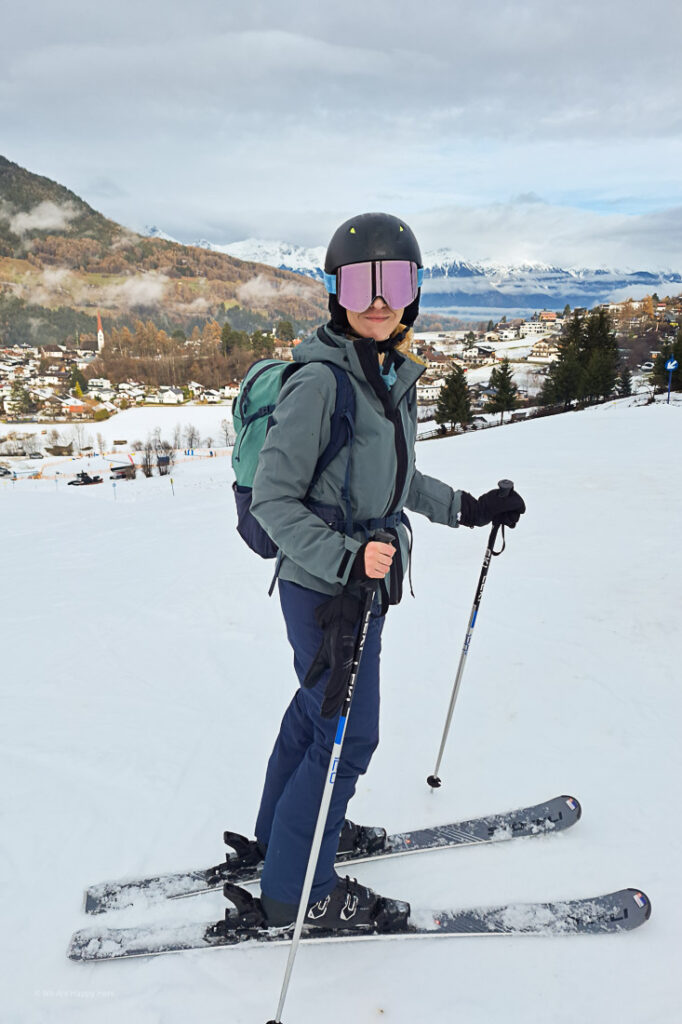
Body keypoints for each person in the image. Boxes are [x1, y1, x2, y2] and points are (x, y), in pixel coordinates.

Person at [248, 212, 525, 929]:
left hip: (355, 587)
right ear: (336, 291)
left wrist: (467, 507)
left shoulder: (382, 374)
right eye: (361, 281)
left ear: (414, 291)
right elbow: (276, 501)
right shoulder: (320, 381)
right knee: (350, 732)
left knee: (316, 714)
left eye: (395, 280)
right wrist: (346, 557)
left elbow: (390, 478)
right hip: (324, 590)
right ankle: (295, 891)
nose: (379, 298)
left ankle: (278, 841)